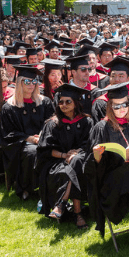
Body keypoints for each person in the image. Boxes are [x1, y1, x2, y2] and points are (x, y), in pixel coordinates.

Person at [86, 82, 129, 257]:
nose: (122, 108)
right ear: (110, 106)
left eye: (125, 104)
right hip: (113, 184)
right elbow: (93, 168)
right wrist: (97, 155)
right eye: (116, 106)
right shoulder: (102, 128)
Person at [36, 84, 94, 229]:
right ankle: (78, 213)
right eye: (61, 102)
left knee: (77, 161)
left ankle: (62, 203)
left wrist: (76, 153)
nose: (63, 105)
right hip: (57, 162)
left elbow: (90, 145)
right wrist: (64, 155)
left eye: (68, 101)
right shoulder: (53, 124)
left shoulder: (87, 121)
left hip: (81, 159)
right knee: (74, 166)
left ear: (76, 103)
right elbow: (45, 150)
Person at [1, 65, 55, 200]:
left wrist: (43, 134)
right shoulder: (9, 107)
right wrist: (28, 138)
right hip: (21, 143)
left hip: (44, 137)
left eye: (34, 81)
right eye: (27, 81)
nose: (31, 84)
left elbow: (52, 121)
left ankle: (52, 184)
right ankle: (26, 187)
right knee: (32, 152)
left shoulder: (44, 102)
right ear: (19, 83)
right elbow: (8, 133)